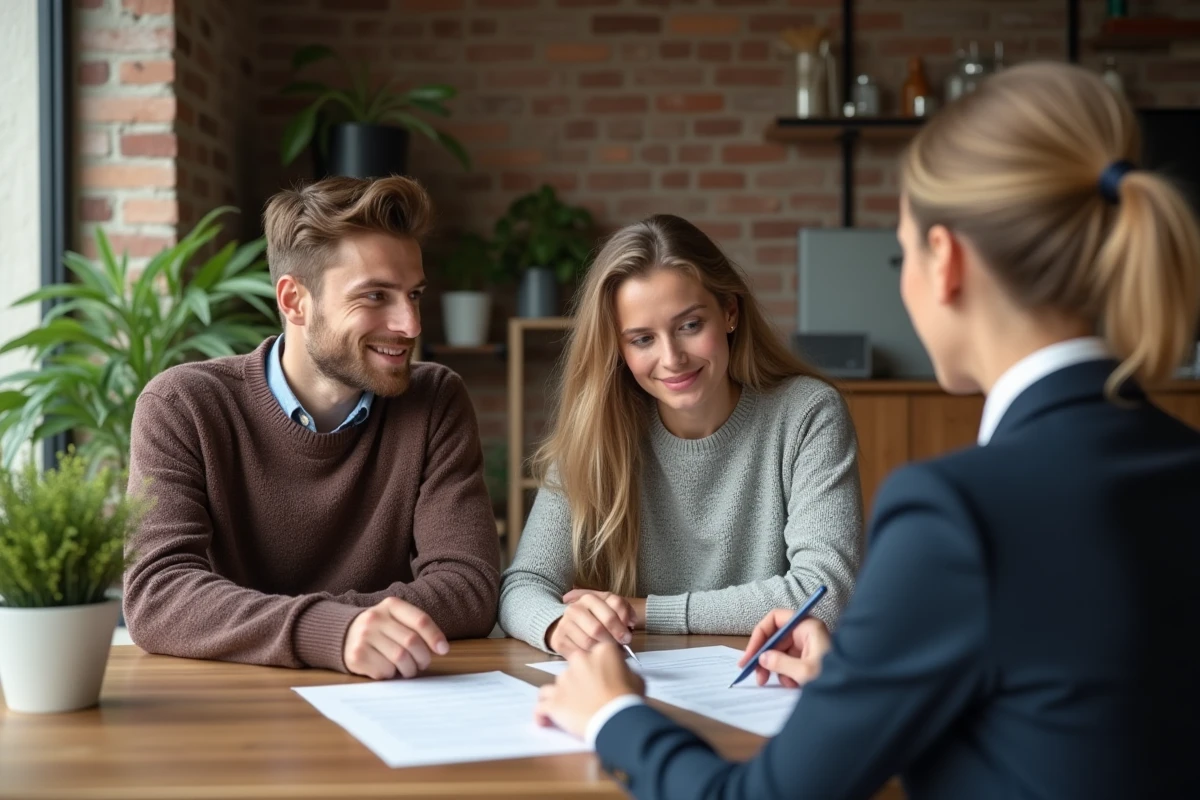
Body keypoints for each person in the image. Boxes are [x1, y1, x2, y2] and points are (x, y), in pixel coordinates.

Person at [532, 62, 1200, 799]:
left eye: (903, 248)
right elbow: (1066, 718)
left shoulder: (956, 512)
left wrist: (613, 715)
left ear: (944, 263)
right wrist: (863, 677)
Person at [123, 176, 501, 680]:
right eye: (375, 296)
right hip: (231, 701)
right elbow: (157, 595)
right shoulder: (183, 406)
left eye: (413, 294)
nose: (410, 324)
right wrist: (333, 631)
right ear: (294, 300)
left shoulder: (434, 401)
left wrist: (314, 627)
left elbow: (470, 586)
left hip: (387, 696)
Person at [499, 214, 863, 655]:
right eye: (642, 339)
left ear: (729, 312)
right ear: (619, 348)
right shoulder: (596, 432)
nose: (671, 358)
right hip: (641, 680)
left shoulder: (807, 413)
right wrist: (557, 624)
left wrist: (643, 611)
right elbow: (523, 585)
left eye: (690, 326)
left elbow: (824, 595)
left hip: (765, 683)